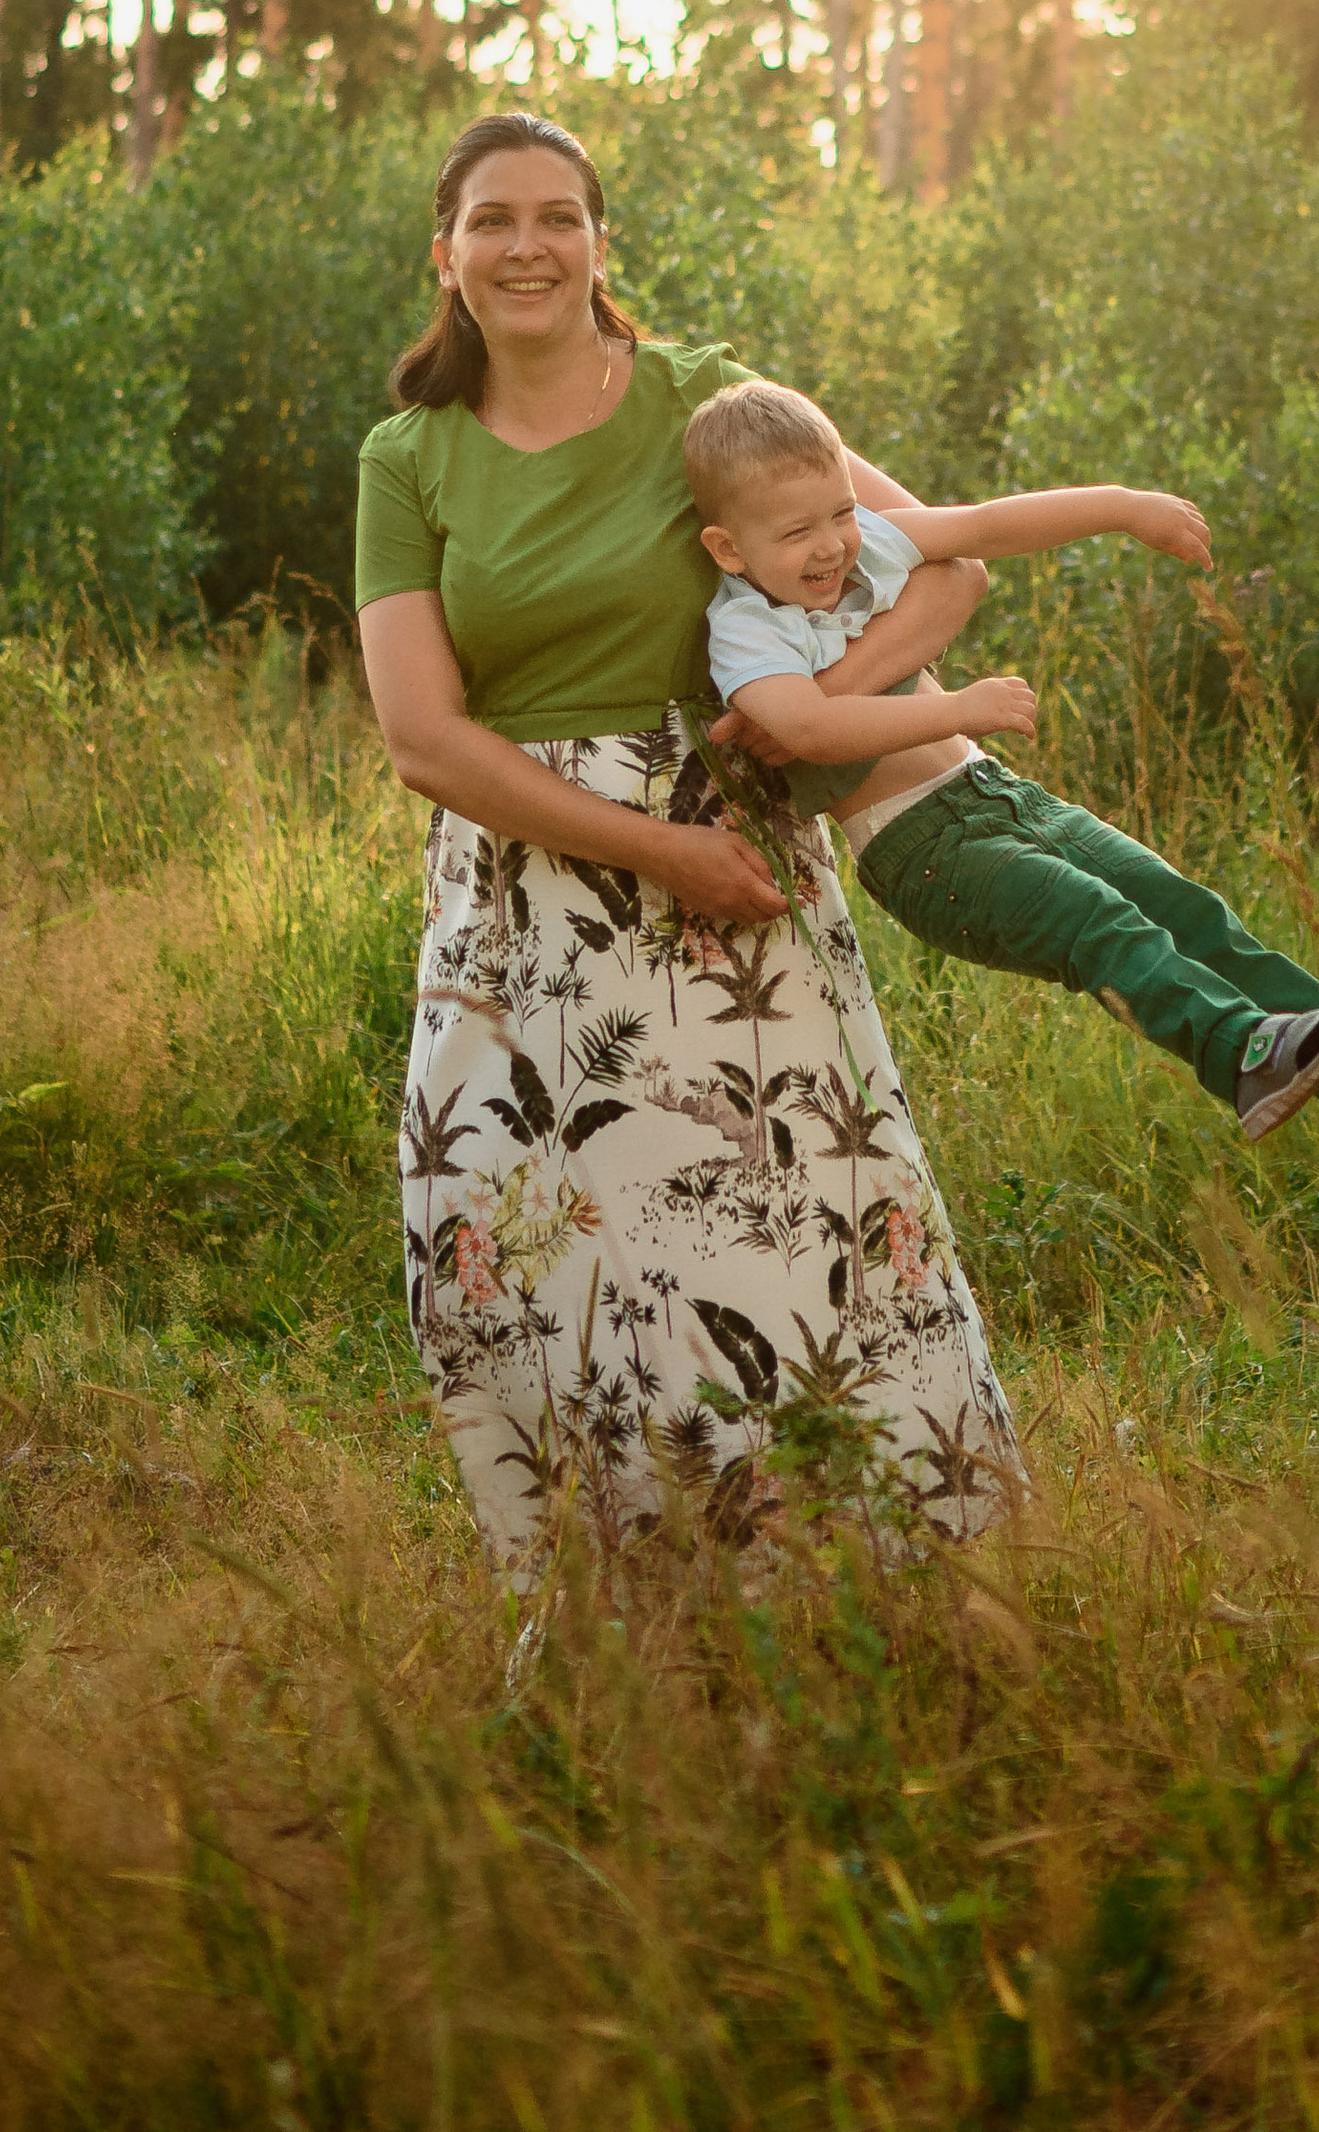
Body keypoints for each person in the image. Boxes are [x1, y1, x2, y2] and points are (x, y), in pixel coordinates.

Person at [356, 114, 1017, 1588]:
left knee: (787, 1243)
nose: (527, 245)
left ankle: (879, 1596)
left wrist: (796, 723)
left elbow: (944, 567)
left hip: (731, 889)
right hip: (521, 916)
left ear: (599, 242)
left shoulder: (709, 402)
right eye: (493, 221)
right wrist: (655, 849)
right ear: (447, 256)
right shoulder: (411, 459)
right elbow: (423, 737)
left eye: (558, 218)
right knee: (505, 1269)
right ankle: (623, 1625)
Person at [684, 379, 1319, 1147]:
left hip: (1000, 793)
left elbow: (984, 525)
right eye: (798, 532)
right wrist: (960, 708)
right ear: (729, 547)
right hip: (927, 850)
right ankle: (1237, 1054)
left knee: (1183, 908)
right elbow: (808, 728)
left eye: (841, 513)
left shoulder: (865, 546)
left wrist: (1124, 507)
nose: (830, 545)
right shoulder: (747, 629)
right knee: (1100, 924)